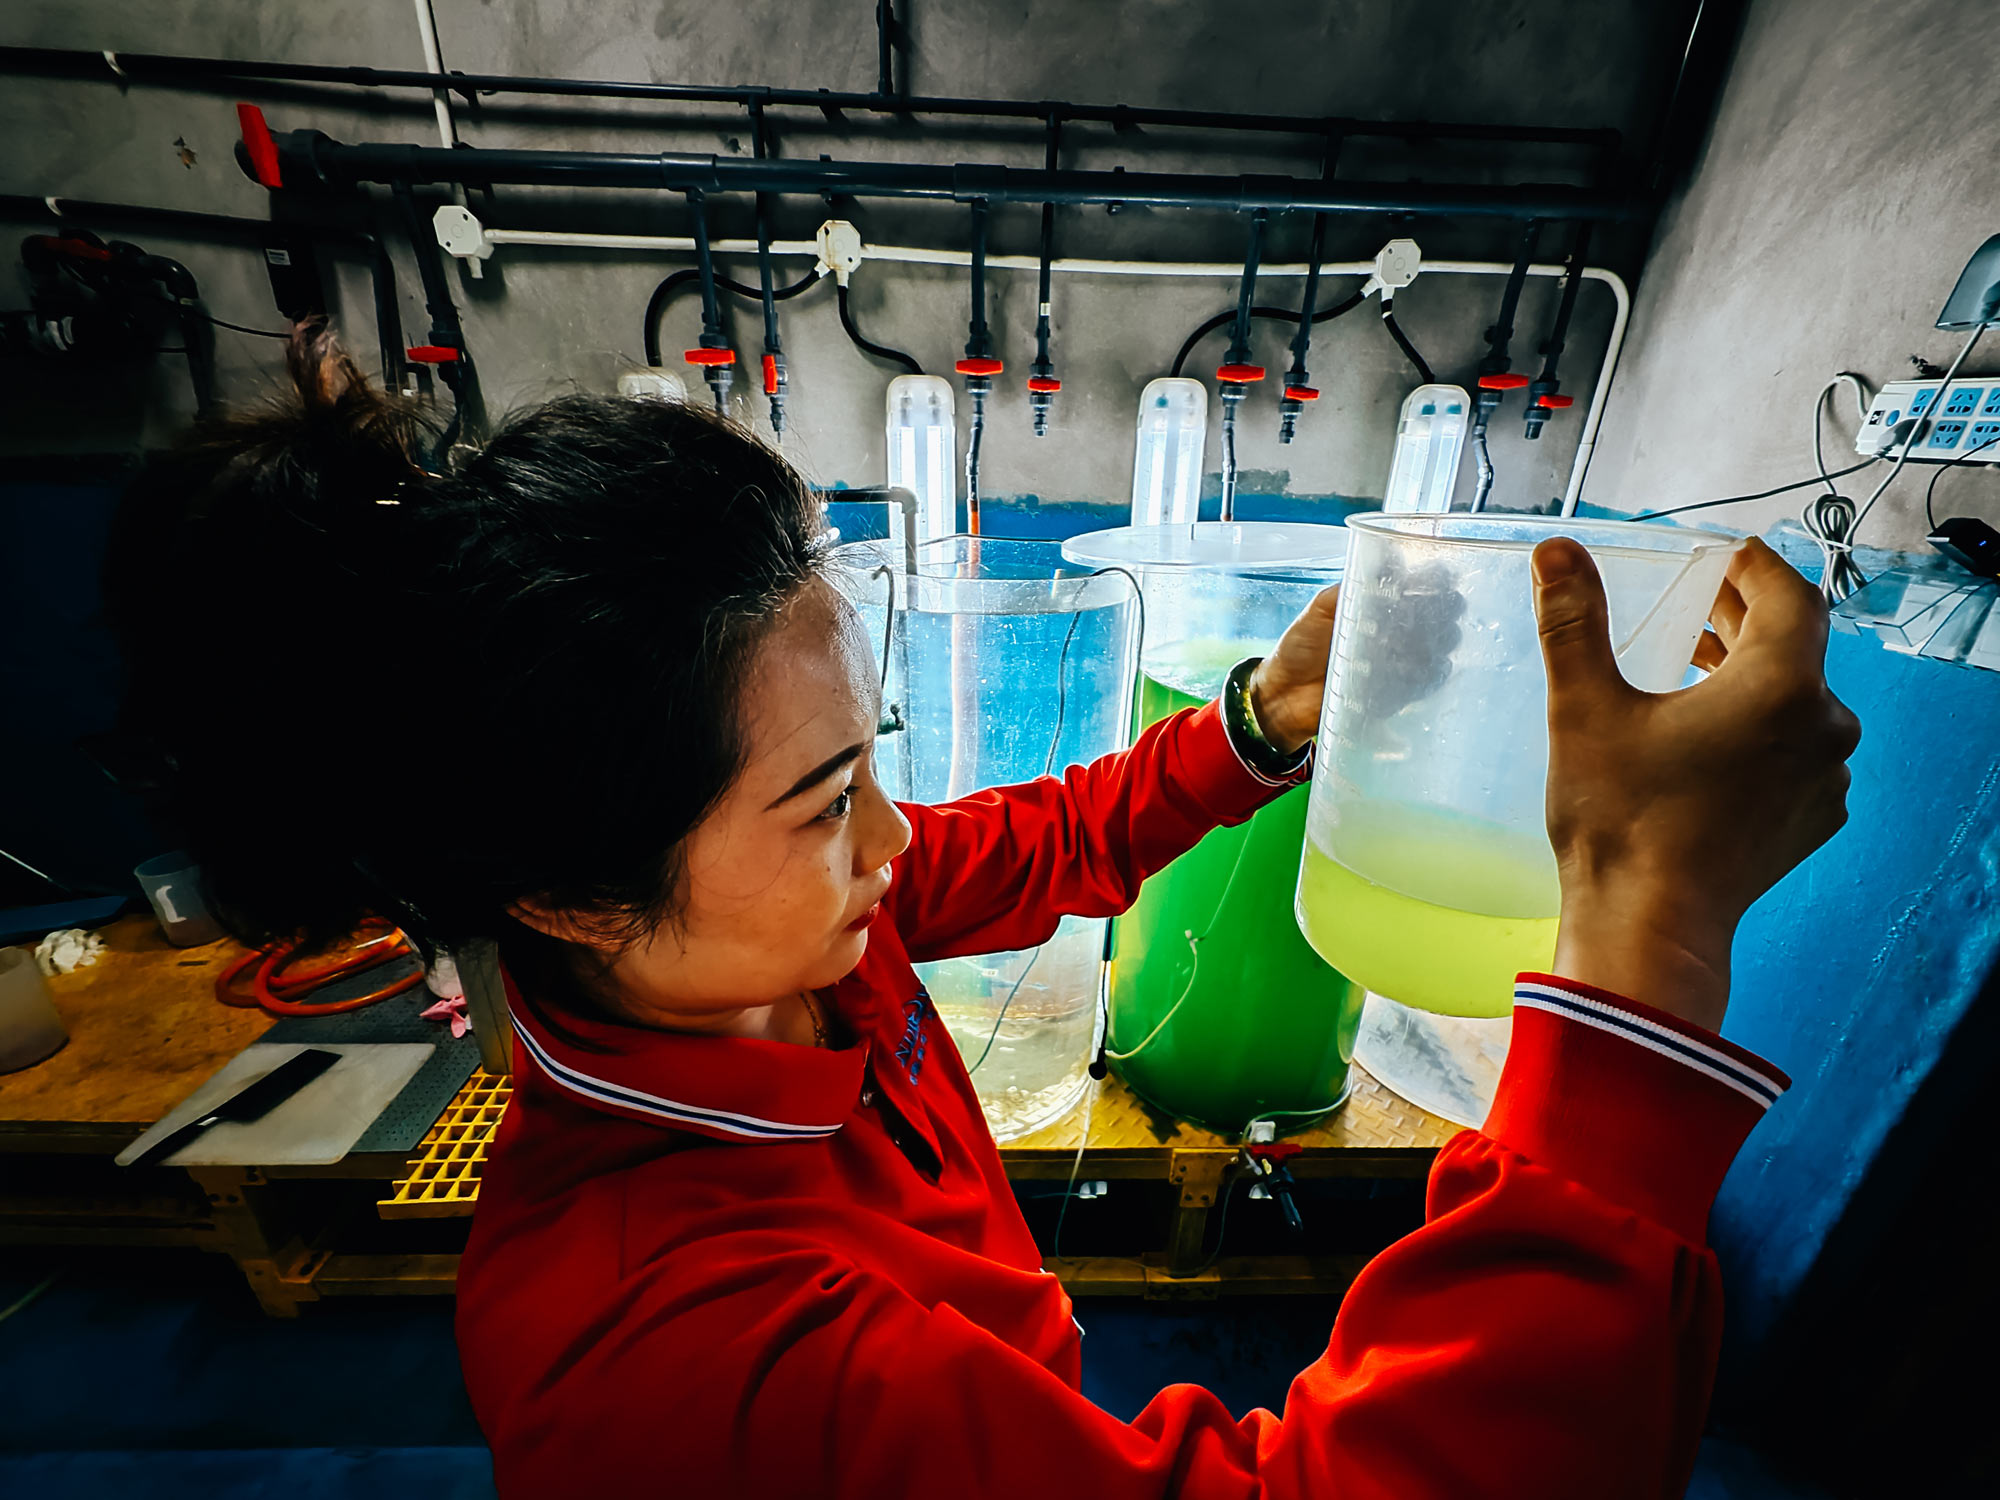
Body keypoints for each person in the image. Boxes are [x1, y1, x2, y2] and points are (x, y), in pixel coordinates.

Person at [110, 326, 1859, 1499]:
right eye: (822, 802)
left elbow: (1014, 848)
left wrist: (1256, 724)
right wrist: (1648, 930)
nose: (893, 837)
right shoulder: (683, 1355)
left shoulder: (785, 956)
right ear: (566, 890)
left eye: (867, 761)